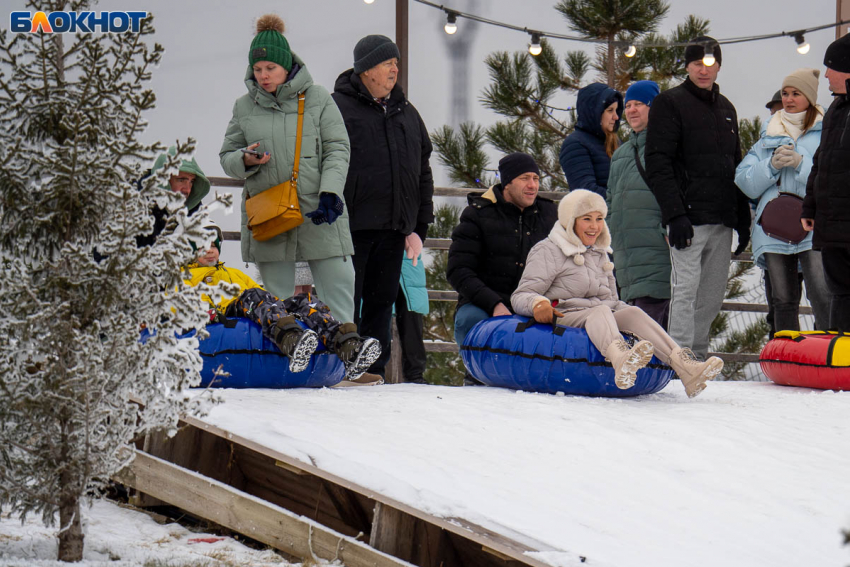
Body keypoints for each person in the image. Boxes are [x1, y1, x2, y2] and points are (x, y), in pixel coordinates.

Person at [511, 190, 724, 398]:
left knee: (632, 312)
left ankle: (685, 367)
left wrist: (625, 311)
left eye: (599, 219)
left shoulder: (599, 252)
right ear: (571, 220)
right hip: (565, 314)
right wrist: (538, 304)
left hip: (599, 313)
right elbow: (521, 295)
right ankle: (620, 357)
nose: (594, 227)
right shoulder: (548, 250)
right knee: (601, 310)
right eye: (587, 219)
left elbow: (611, 301)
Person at [219, 15, 355, 324]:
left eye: (270, 68)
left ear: (286, 65)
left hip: (318, 207)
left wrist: (330, 191)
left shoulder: (318, 97)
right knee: (275, 300)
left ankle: (348, 359)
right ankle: (283, 362)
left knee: (338, 285)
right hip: (269, 211)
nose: (264, 76)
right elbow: (226, 155)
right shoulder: (244, 106)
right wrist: (244, 159)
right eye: (257, 69)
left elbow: (338, 148)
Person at [331, 34, 435, 379]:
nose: (395, 69)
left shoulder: (408, 113)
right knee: (345, 301)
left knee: (381, 303)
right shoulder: (336, 109)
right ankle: (337, 368)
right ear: (366, 69)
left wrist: (419, 228)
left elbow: (422, 173)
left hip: (394, 228)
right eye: (387, 62)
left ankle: (371, 370)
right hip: (348, 227)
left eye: (396, 62)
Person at [645, 36, 751, 360]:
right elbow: (657, 162)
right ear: (687, 66)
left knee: (712, 295)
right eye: (696, 64)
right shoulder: (670, 103)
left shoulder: (727, 109)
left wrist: (742, 217)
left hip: (721, 217)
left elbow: (735, 163)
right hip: (688, 218)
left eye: (709, 64)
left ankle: (698, 360)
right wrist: (674, 214)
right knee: (685, 290)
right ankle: (677, 360)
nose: (703, 71)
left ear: (718, 66)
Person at [185, 226, 381, 381]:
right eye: (203, 246)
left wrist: (283, 307)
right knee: (255, 296)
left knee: (304, 300)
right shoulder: (186, 276)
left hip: (252, 303)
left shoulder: (234, 273)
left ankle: (348, 347)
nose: (210, 251)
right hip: (227, 309)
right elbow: (178, 302)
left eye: (213, 245)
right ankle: (291, 342)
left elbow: (264, 297)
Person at [735, 69, 828, 333]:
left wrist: (801, 164)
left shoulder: (826, 133)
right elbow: (744, 181)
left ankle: (829, 351)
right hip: (773, 228)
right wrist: (771, 166)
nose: (788, 99)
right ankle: (787, 356)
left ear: (809, 97)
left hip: (813, 225)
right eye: (785, 93)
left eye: (796, 93)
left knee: (821, 295)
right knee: (782, 299)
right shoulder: (768, 134)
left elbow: (832, 179)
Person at [447, 152, 558, 347]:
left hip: (535, 300)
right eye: (524, 178)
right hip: (485, 301)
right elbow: (459, 271)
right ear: (507, 183)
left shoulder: (549, 214)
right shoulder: (477, 214)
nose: (532, 185)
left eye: (536, 178)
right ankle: (476, 375)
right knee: (470, 320)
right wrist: (494, 303)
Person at [605, 80, 670, 329]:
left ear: (654, 107)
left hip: (656, 256)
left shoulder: (668, 146)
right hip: (624, 261)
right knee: (633, 336)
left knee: (653, 337)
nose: (631, 110)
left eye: (639, 104)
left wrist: (665, 230)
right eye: (628, 105)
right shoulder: (621, 154)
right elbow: (610, 200)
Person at [802, 34, 850, 330]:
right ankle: (842, 361)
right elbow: (821, 160)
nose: (827, 74)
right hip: (833, 224)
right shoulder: (835, 109)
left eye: (831, 67)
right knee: (840, 292)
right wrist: (810, 206)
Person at [559, 83, 623, 198]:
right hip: (598, 214)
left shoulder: (616, 142)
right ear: (595, 112)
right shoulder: (575, 144)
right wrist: (624, 201)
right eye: (610, 110)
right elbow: (585, 192)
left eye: (616, 110)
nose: (616, 117)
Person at [137, 148, 210, 248]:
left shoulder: (193, 210)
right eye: (181, 180)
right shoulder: (135, 208)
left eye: (191, 182)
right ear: (164, 180)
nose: (187, 189)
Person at [395, 252, 428, 384]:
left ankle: (415, 374)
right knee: (377, 316)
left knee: (411, 317)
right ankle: (373, 370)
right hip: (387, 252)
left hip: (408, 259)